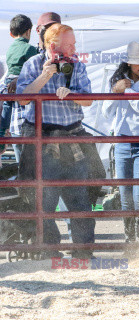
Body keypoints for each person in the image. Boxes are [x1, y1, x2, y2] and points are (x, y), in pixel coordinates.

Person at [16, 23, 96, 259]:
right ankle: (51, 252)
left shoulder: (77, 66)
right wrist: (45, 76)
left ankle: (83, 253)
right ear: (53, 45)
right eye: (70, 43)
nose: (74, 47)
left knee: (80, 199)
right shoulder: (32, 64)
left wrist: (73, 95)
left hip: (72, 137)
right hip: (44, 140)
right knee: (44, 201)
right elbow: (21, 99)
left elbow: (89, 100)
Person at [102, 41, 139, 243]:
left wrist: (124, 92)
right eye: (138, 62)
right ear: (129, 63)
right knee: (126, 195)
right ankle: (131, 239)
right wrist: (114, 92)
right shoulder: (118, 81)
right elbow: (105, 111)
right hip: (122, 141)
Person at [0, 14, 38, 158]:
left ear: (11, 33)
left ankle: (2, 131)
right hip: (21, 83)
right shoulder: (30, 49)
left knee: (7, 109)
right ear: (29, 31)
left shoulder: (9, 49)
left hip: (8, 83)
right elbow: (34, 68)